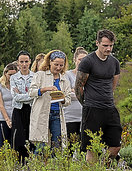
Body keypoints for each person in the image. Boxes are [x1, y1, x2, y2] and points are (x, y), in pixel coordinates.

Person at [75, 29, 122, 162]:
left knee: (115, 146)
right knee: (92, 147)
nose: (108, 48)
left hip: (109, 107)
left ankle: (101, 168)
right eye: (105, 45)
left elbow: (113, 84)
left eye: (111, 46)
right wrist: (87, 104)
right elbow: (79, 86)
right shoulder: (88, 61)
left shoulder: (114, 62)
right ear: (97, 43)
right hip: (92, 108)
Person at [29, 50, 71, 151]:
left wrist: (62, 98)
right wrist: (44, 89)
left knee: (56, 145)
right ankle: (37, 165)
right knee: (41, 145)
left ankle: (54, 166)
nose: (58, 67)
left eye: (61, 65)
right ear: (50, 62)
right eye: (56, 64)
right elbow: (31, 92)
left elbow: (68, 99)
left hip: (57, 114)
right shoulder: (40, 75)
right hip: (41, 114)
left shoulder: (64, 79)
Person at [10, 50, 35, 162]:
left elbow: (35, 95)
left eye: (26, 61)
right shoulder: (13, 78)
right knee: (19, 137)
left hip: (31, 109)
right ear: (18, 63)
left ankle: (30, 162)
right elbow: (15, 97)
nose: (24, 64)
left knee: (31, 136)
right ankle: (19, 163)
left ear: (30, 62)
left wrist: (24, 95)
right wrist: (30, 94)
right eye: (21, 62)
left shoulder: (35, 77)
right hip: (18, 110)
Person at [65, 47, 88, 141]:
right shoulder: (67, 75)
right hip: (70, 116)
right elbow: (66, 93)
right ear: (74, 60)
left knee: (84, 146)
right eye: (80, 59)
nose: (82, 62)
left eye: (84, 60)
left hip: (85, 116)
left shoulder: (89, 76)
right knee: (71, 145)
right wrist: (82, 92)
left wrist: (76, 90)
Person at [0, 63, 18, 147]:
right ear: (5, 74)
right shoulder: (1, 86)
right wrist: (7, 120)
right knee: (3, 143)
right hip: (4, 118)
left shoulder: (18, 85)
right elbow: (1, 105)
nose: (12, 77)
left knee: (15, 143)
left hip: (16, 116)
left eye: (14, 75)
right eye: (10, 75)